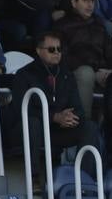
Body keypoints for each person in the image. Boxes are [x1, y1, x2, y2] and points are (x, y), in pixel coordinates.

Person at [11, 31, 101, 162]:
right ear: (38, 50)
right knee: (32, 123)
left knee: (90, 127)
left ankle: (85, 177)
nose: (57, 53)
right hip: (29, 130)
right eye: (51, 49)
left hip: (56, 130)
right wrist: (54, 117)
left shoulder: (66, 75)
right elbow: (21, 110)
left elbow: (78, 108)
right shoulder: (24, 74)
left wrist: (69, 118)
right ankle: (34, 177)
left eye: (59, 49)